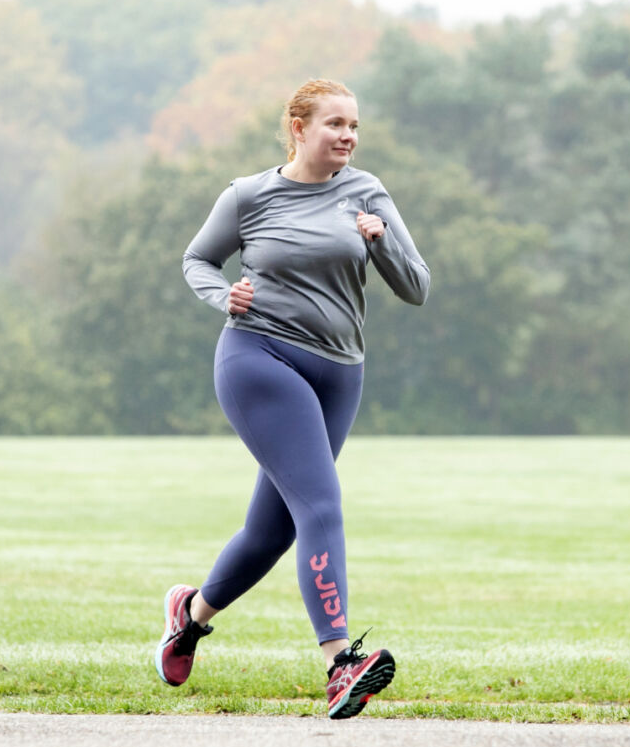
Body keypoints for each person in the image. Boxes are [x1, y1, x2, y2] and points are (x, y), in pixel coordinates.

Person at [156, 78, 431, 720]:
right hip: (258, 357)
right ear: (299, 127)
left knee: (272, 529)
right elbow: (199, 259)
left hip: (340, 372)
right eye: (335, 124)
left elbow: (416, 287)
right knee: (322, 505)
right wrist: (224, 297)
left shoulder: (367, 192)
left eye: (355, 126)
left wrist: (380, 239)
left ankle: (189, 618)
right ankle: (342, 663)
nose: (348, 136)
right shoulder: (249, 195)